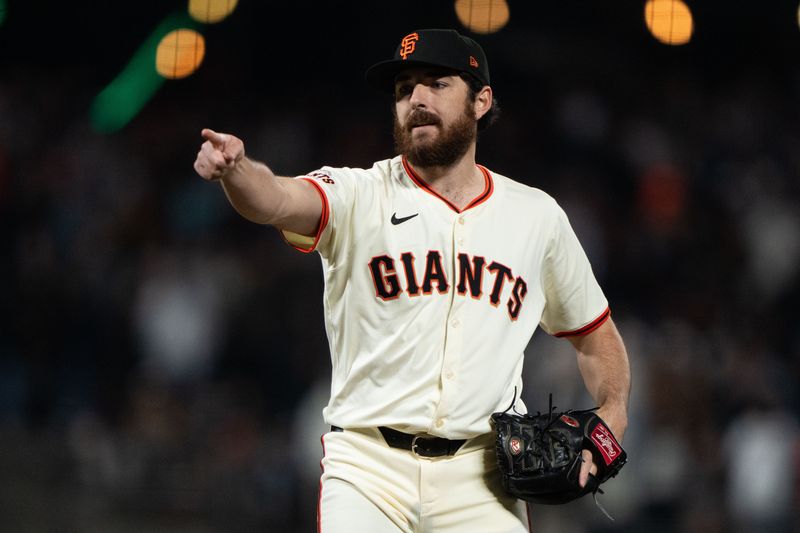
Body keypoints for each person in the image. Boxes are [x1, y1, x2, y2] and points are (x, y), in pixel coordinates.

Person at [194, 28, 630, 533]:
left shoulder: (536, 217)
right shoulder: (359, 193)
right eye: (404, 90)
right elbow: (276, 199)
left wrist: (612, 415)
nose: (416, 98)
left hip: (484, 478)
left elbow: (595, 335)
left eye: (436, 84)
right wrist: (237, 170)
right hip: (368, 469)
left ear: (481, 100)